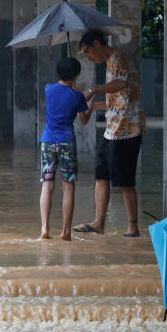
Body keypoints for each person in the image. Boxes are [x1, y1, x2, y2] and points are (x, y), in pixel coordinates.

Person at [73, 29, 147, 237]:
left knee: (125, 180)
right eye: (83, 55)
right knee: (101, 175)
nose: (87, 57)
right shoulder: (109, 64)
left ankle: (133, 227)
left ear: (97, 43)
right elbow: (114, 102)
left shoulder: (119, 58)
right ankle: (99, 222)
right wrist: (91, 107)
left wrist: (94, 90)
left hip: (127, 130)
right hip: (112, 131)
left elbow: (122, 83)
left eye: (87, 52)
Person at [39, 57, 95, 241]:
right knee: (68, 188)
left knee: (47, 186)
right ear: (76, 75)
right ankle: (65, 232)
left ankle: (45, 229)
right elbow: (84, 120)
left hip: (47, 141)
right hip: (66, 142)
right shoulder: (77, 96)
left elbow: (61, 94)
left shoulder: (48, 89)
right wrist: (90, 101)